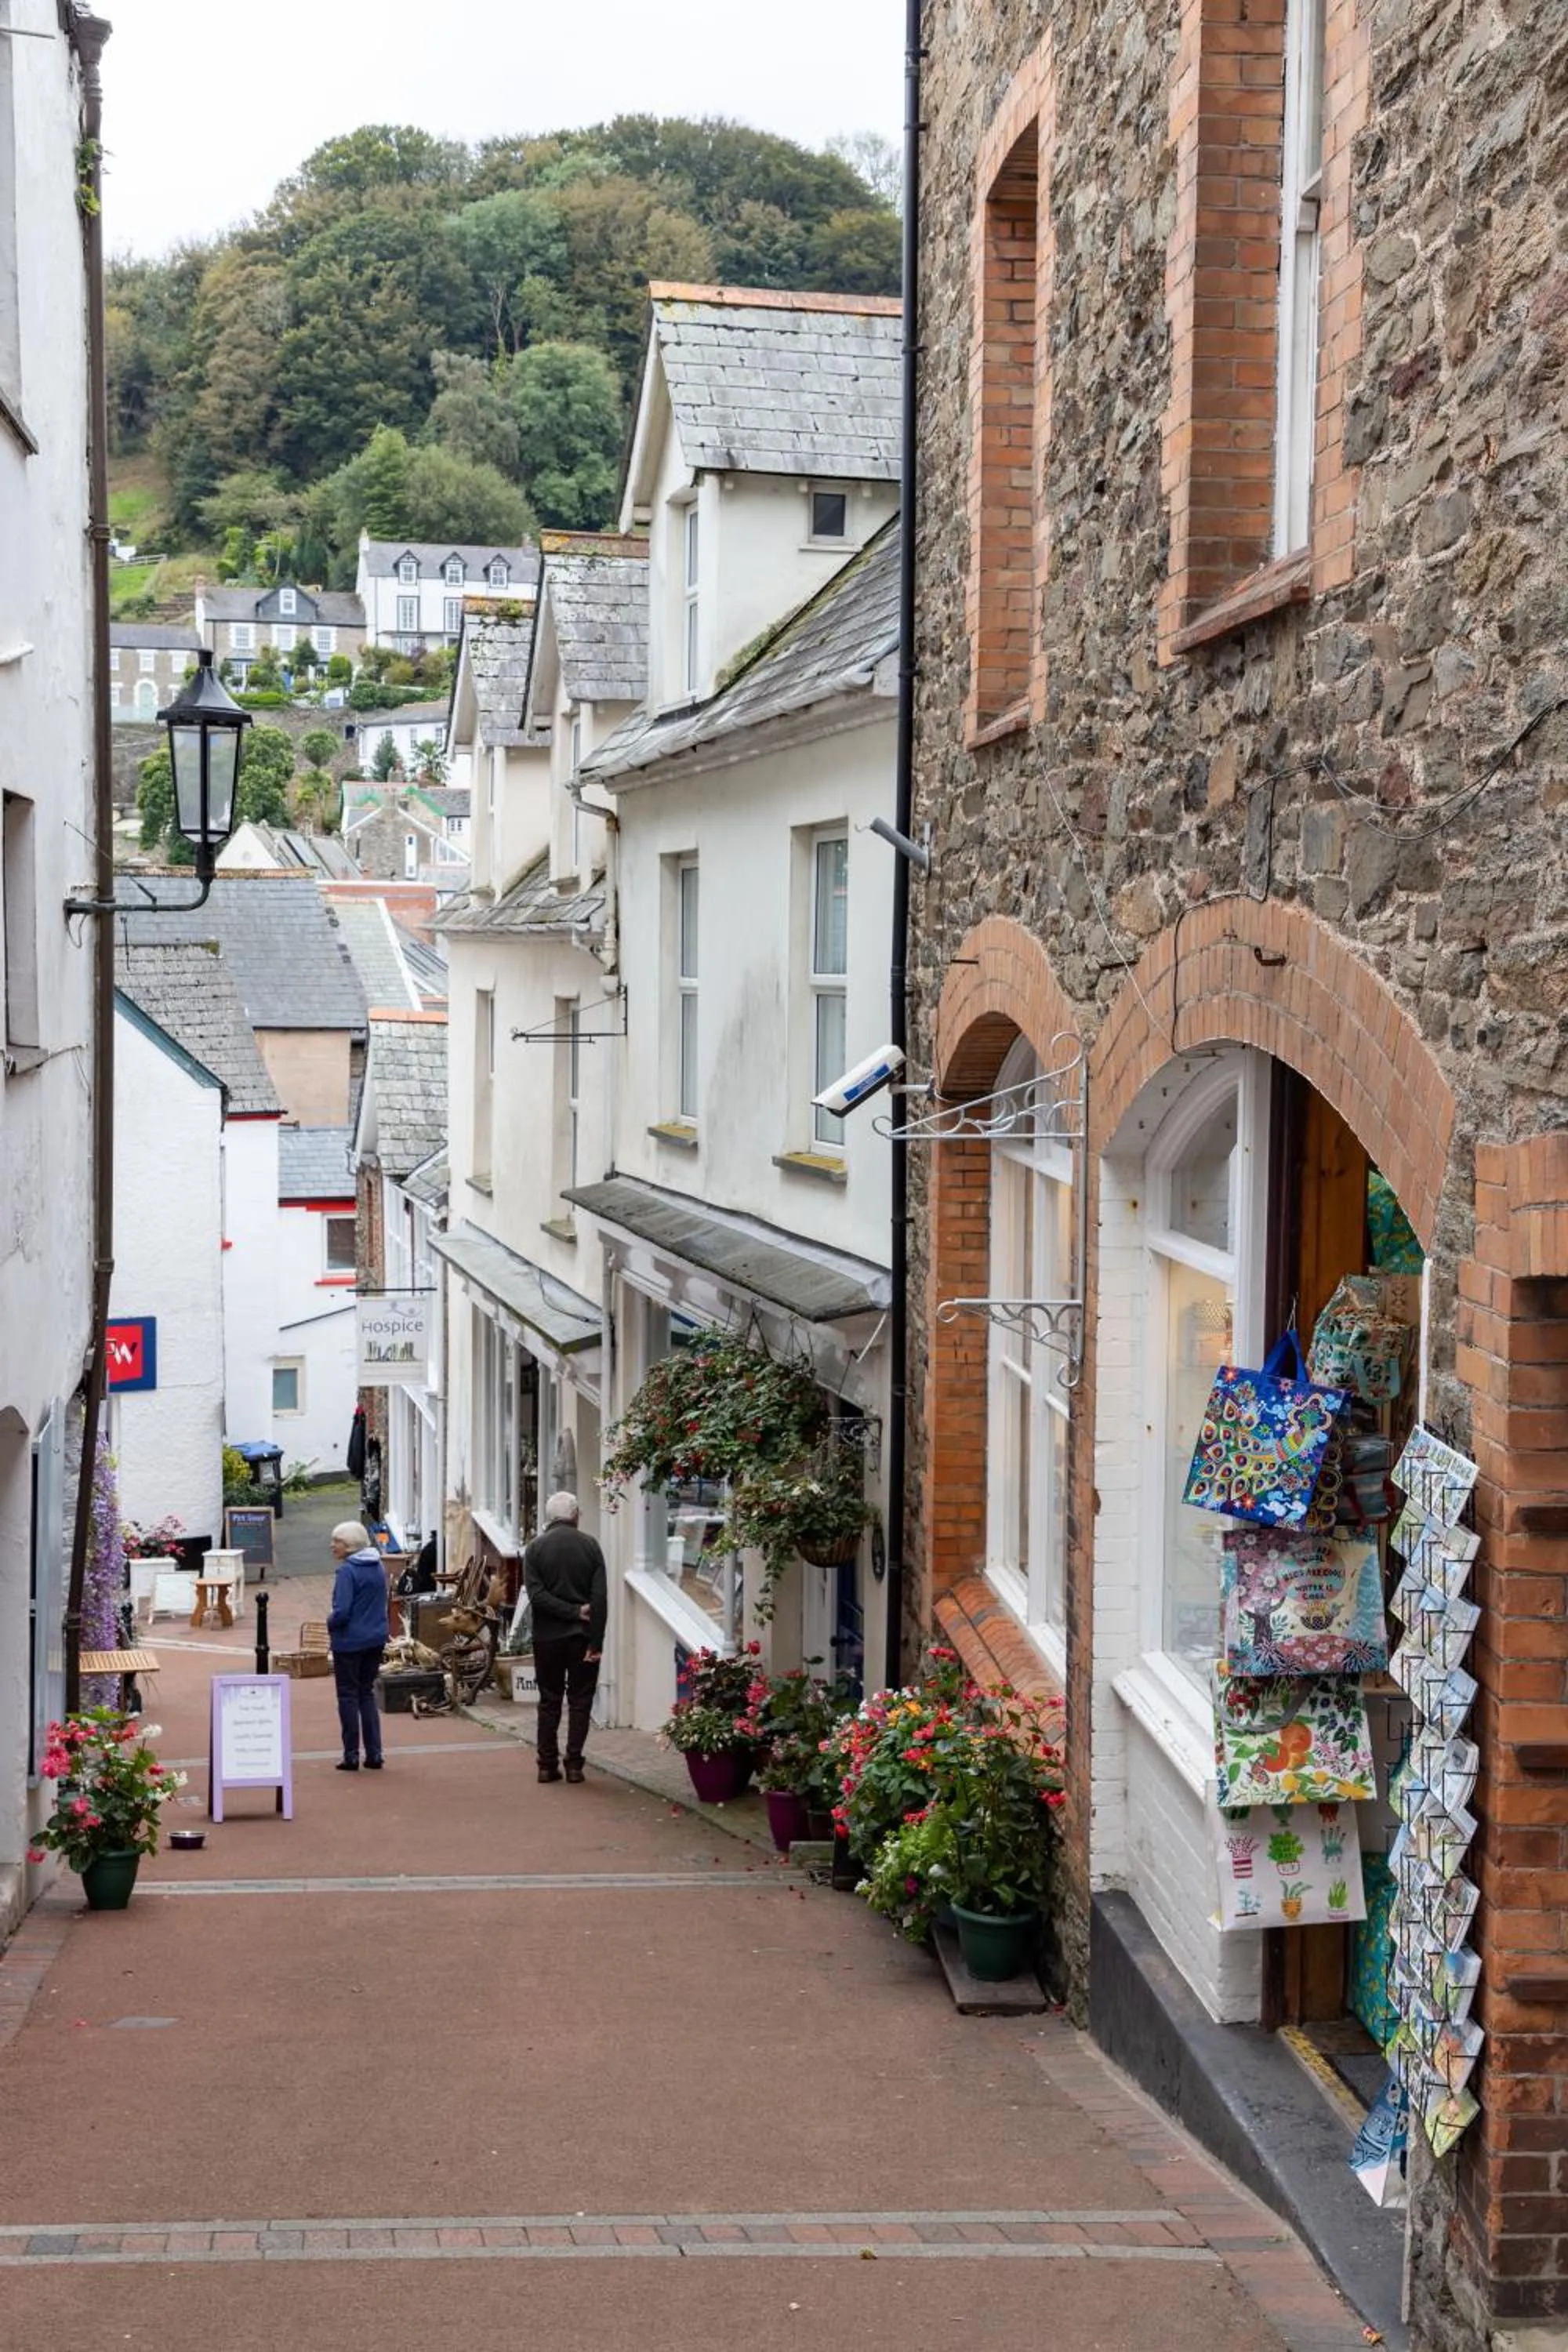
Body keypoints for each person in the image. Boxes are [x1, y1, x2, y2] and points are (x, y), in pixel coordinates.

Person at [522, 1493, 606, 1784]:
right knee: (580, 1701)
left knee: (549, 1700)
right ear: (575, 1515)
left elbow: (537, 1597)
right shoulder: (591, 1546)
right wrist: (596, 1642)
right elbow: (600, 1598)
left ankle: (546, 1764)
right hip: (582, 1638)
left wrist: (568, 1611)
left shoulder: (534, 1549)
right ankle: (574, 1764)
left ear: (549, 1517)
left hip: (546, 1638)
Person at [327, 1522, 390, 1773]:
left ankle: (351, 1755)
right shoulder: (377, 1566)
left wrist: (330, 1623)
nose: (333, 1546)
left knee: (347, 1696)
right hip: (375, 1638)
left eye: (337, 1541)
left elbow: (342, 1611)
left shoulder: (347, 1572)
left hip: (350, 1642)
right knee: (367, 1694)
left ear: (350, 1545)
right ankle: (375, 1753)